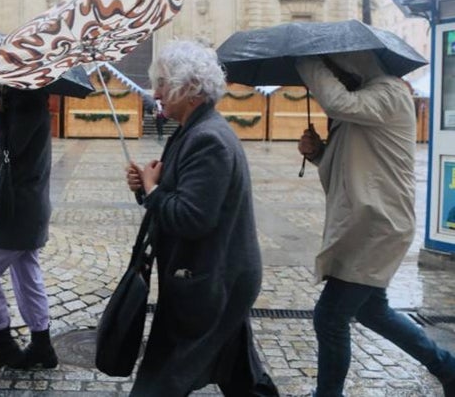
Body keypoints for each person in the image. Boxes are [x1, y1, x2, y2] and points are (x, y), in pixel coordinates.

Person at [125, 40, 279, 396]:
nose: (156, 92)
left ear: (190, 88)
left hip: (211, 281)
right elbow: (181, 192)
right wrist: (146, 186)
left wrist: (152, 191)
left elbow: (191, 218)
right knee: (242, 375)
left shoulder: (207, 138)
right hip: (218, 277)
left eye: (164, 82)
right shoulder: (191, 129)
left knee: (162, 380)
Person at [296, 51, 455, 397]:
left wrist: (306, 62)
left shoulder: (390, 93)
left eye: (337, 68)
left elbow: (338, 102)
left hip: (379, 226)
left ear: (356, 63)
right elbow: (351, 163)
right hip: (368, 222)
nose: (335, 76)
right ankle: (447, 368)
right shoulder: (367, 99)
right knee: (372, 310)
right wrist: (319, 152)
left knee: (330, 316)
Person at [0, 84, 58, 379]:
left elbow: (9, 148)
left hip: (18, 208)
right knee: (26, 272)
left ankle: (3, 342)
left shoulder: (29, 105)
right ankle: (42, 344)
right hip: (24, 205)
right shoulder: (25, 102)